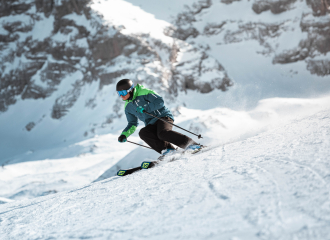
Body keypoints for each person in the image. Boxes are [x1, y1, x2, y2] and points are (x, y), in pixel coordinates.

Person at [116, 79, 201, 156]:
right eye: (119, 93)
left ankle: (192, 145)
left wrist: (146, 108)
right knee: (143, 133)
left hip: (163, 117)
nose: (121, 96)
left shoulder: (144, 92)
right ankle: (169, 151)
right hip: (151, 123)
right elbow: (132, 123)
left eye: (123, 93)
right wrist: (124, 135)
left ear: (130, 90)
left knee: (163, 133)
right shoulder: (127, 107)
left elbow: (160, 101)